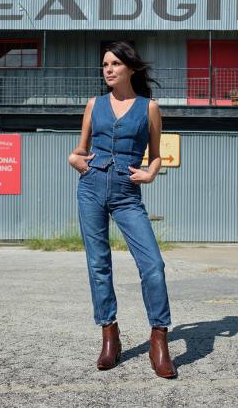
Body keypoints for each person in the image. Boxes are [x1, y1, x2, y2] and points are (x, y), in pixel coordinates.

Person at [68, 41, 177, 378]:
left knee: (153, 264)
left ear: (130, 67)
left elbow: (156, 154)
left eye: (115, 64)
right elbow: (80, 149)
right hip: (91, 189)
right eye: (105, 65)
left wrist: (151, 172)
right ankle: (109, 335)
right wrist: (75, 160)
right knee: (99, 264)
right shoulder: (93, 104)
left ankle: (159, 338)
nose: (109, 70)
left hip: (127, 193)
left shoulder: (149, 108)